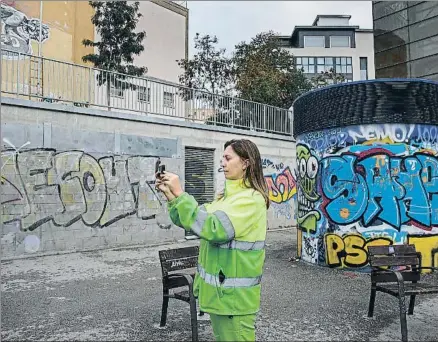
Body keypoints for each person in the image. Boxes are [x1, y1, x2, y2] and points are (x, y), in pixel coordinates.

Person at [155, 139, 269, 342]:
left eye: (227, 158)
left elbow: (214, 229)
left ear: (245, 163)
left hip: (235, 301)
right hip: (221, 297)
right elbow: (195, 221)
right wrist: (172, 198)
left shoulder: (251, 199)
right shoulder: (224, 198)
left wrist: (181, 194)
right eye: (221, 158)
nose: (222, 163)